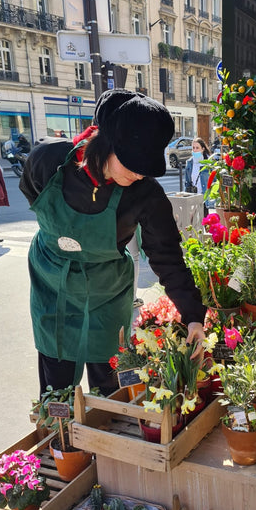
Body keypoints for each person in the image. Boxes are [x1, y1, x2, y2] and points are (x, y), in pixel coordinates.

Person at [19, 89, 206, 397]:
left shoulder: (145, 193)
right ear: (104, 144)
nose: (138, 173)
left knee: (111, 382)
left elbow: (167, 257)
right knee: (57, 384)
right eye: (132, 163)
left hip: (107, 293)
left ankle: (106, 435)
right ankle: (61, 440)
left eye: (146, 166)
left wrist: (193, 316)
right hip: (52, 285)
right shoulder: (48, 161)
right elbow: (32, 194)